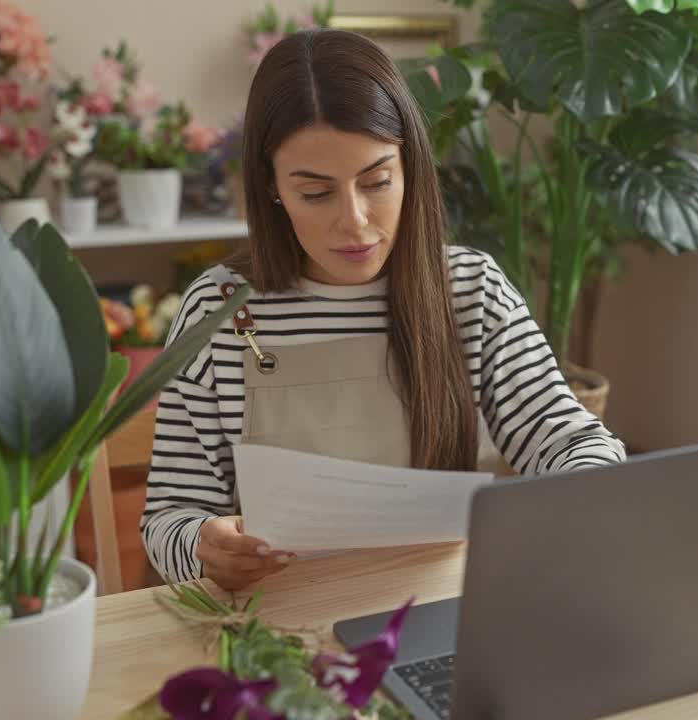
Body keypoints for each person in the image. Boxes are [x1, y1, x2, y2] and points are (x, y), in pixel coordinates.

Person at [141, 28, 625, 591]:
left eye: (377, 181)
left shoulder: (472, 290)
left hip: (441, 611)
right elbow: (168, 518)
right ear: (272, 186)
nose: (355, 221)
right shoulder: (219, 310)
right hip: (277, 628)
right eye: (316, 193)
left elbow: (572, 443)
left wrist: (584, 489)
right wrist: (205, 547)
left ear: (410, 167)